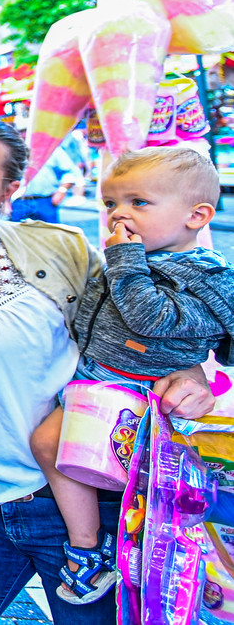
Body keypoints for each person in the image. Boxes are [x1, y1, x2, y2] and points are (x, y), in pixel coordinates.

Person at [0, 118, 215, 625]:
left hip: (83, 499)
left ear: (8, 190)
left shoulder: (60, 251)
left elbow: (140, 328)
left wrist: (190, 374)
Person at [30, 145, 234, 604]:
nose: (118, 215)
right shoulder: (140, 259)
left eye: (138, 202)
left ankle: (90, 548)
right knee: (55, 447)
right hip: (97, 377)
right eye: (111, 204)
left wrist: (125, 263)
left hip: (136, 392)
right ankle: (98, 548)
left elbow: (150, 318)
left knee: (65, 450)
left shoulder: (203, 276)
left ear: (197, 216)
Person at [10, 142, 84, 224]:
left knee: (50, 233)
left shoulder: (50, 149)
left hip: (45, 201)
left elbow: (70, 171)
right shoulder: (11, 147)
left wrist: (62, 190)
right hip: (18, 201)